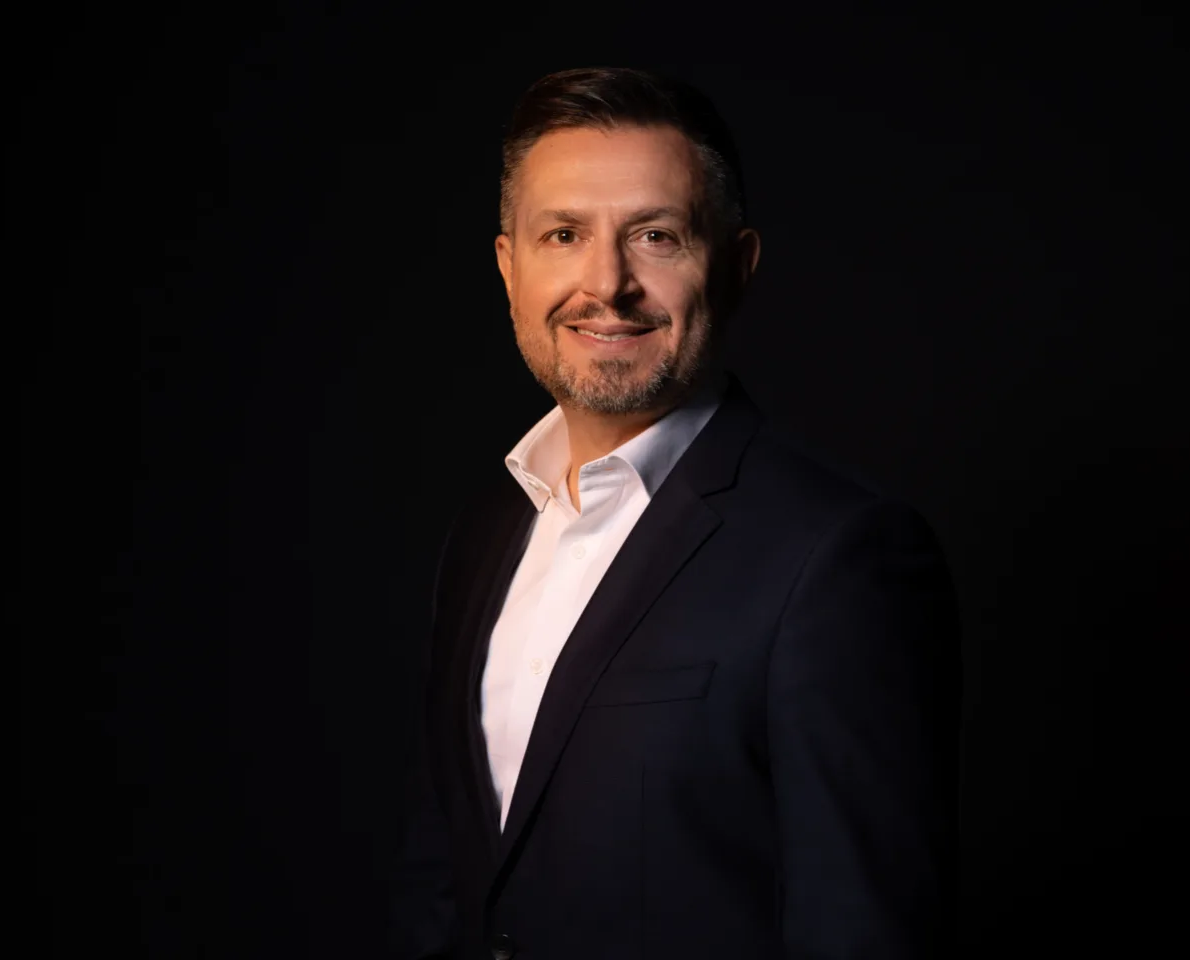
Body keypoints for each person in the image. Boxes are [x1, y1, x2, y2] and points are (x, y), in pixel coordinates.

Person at [388, 66, 962, 960]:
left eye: (655, 236)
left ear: (737, 265)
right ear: (508, 266)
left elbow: (859, 928)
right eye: (564, 234)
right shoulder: (486, 534)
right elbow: (449, 878)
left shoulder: (839, 557)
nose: (606, 283)